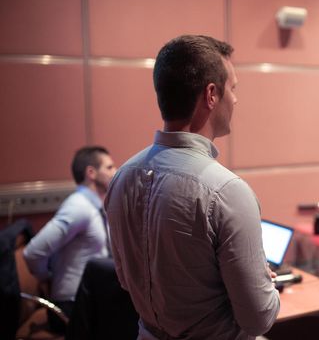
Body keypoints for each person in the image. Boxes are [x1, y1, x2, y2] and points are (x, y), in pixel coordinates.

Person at [104, 35, 279, 340]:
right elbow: (258, 317)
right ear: (211, 94)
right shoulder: (227, 191)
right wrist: (263, 281)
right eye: (233, 88)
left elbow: (125, 278)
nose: (235, 99)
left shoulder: (121, 178)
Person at [23, 146, 116, 334]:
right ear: (91, 173)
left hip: (90, 299)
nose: (115, 172)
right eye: (109, 167)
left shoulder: (95, 205)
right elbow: (33, 252)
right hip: (72, 306)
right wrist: (45, 277)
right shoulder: (78, 207)